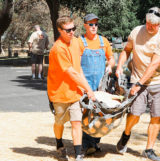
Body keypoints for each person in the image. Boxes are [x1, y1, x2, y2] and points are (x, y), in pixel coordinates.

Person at [115, 7, 160, 161]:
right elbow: (126, 50)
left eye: (153, 25)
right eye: (147, 23)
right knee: (135, 114)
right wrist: (120, 65)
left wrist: (139, 84)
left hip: (157, 81)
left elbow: (153, 65)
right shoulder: (136, 31)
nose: (149, 26)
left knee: (156, 117)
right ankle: (126, 134)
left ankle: (149, 149)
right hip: (137, 77)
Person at [47, 16, 96, 161]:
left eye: (73, 29)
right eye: (68, 30)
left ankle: (78, 153)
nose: (72, 32)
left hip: (74, 92)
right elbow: (71, 73)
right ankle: (59, 143)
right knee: (60, 122)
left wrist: (84, 86)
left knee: (76, 122)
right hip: (59, 93)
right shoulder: (58, 48)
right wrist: (88, 89)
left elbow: (77, 67)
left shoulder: (76, 42)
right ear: (59, 30)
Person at [78, 13, 115, 155]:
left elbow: (111, 59)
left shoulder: (103, 41)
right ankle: (87, 144)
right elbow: (77, 64)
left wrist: (110, 66)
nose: (94, 27)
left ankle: (95, 142)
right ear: (85, 25)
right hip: (85, 84)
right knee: (87, 113)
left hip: (101, 85)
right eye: (91, 24)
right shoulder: (80, 42)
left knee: (101, 112)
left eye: (96, 24)